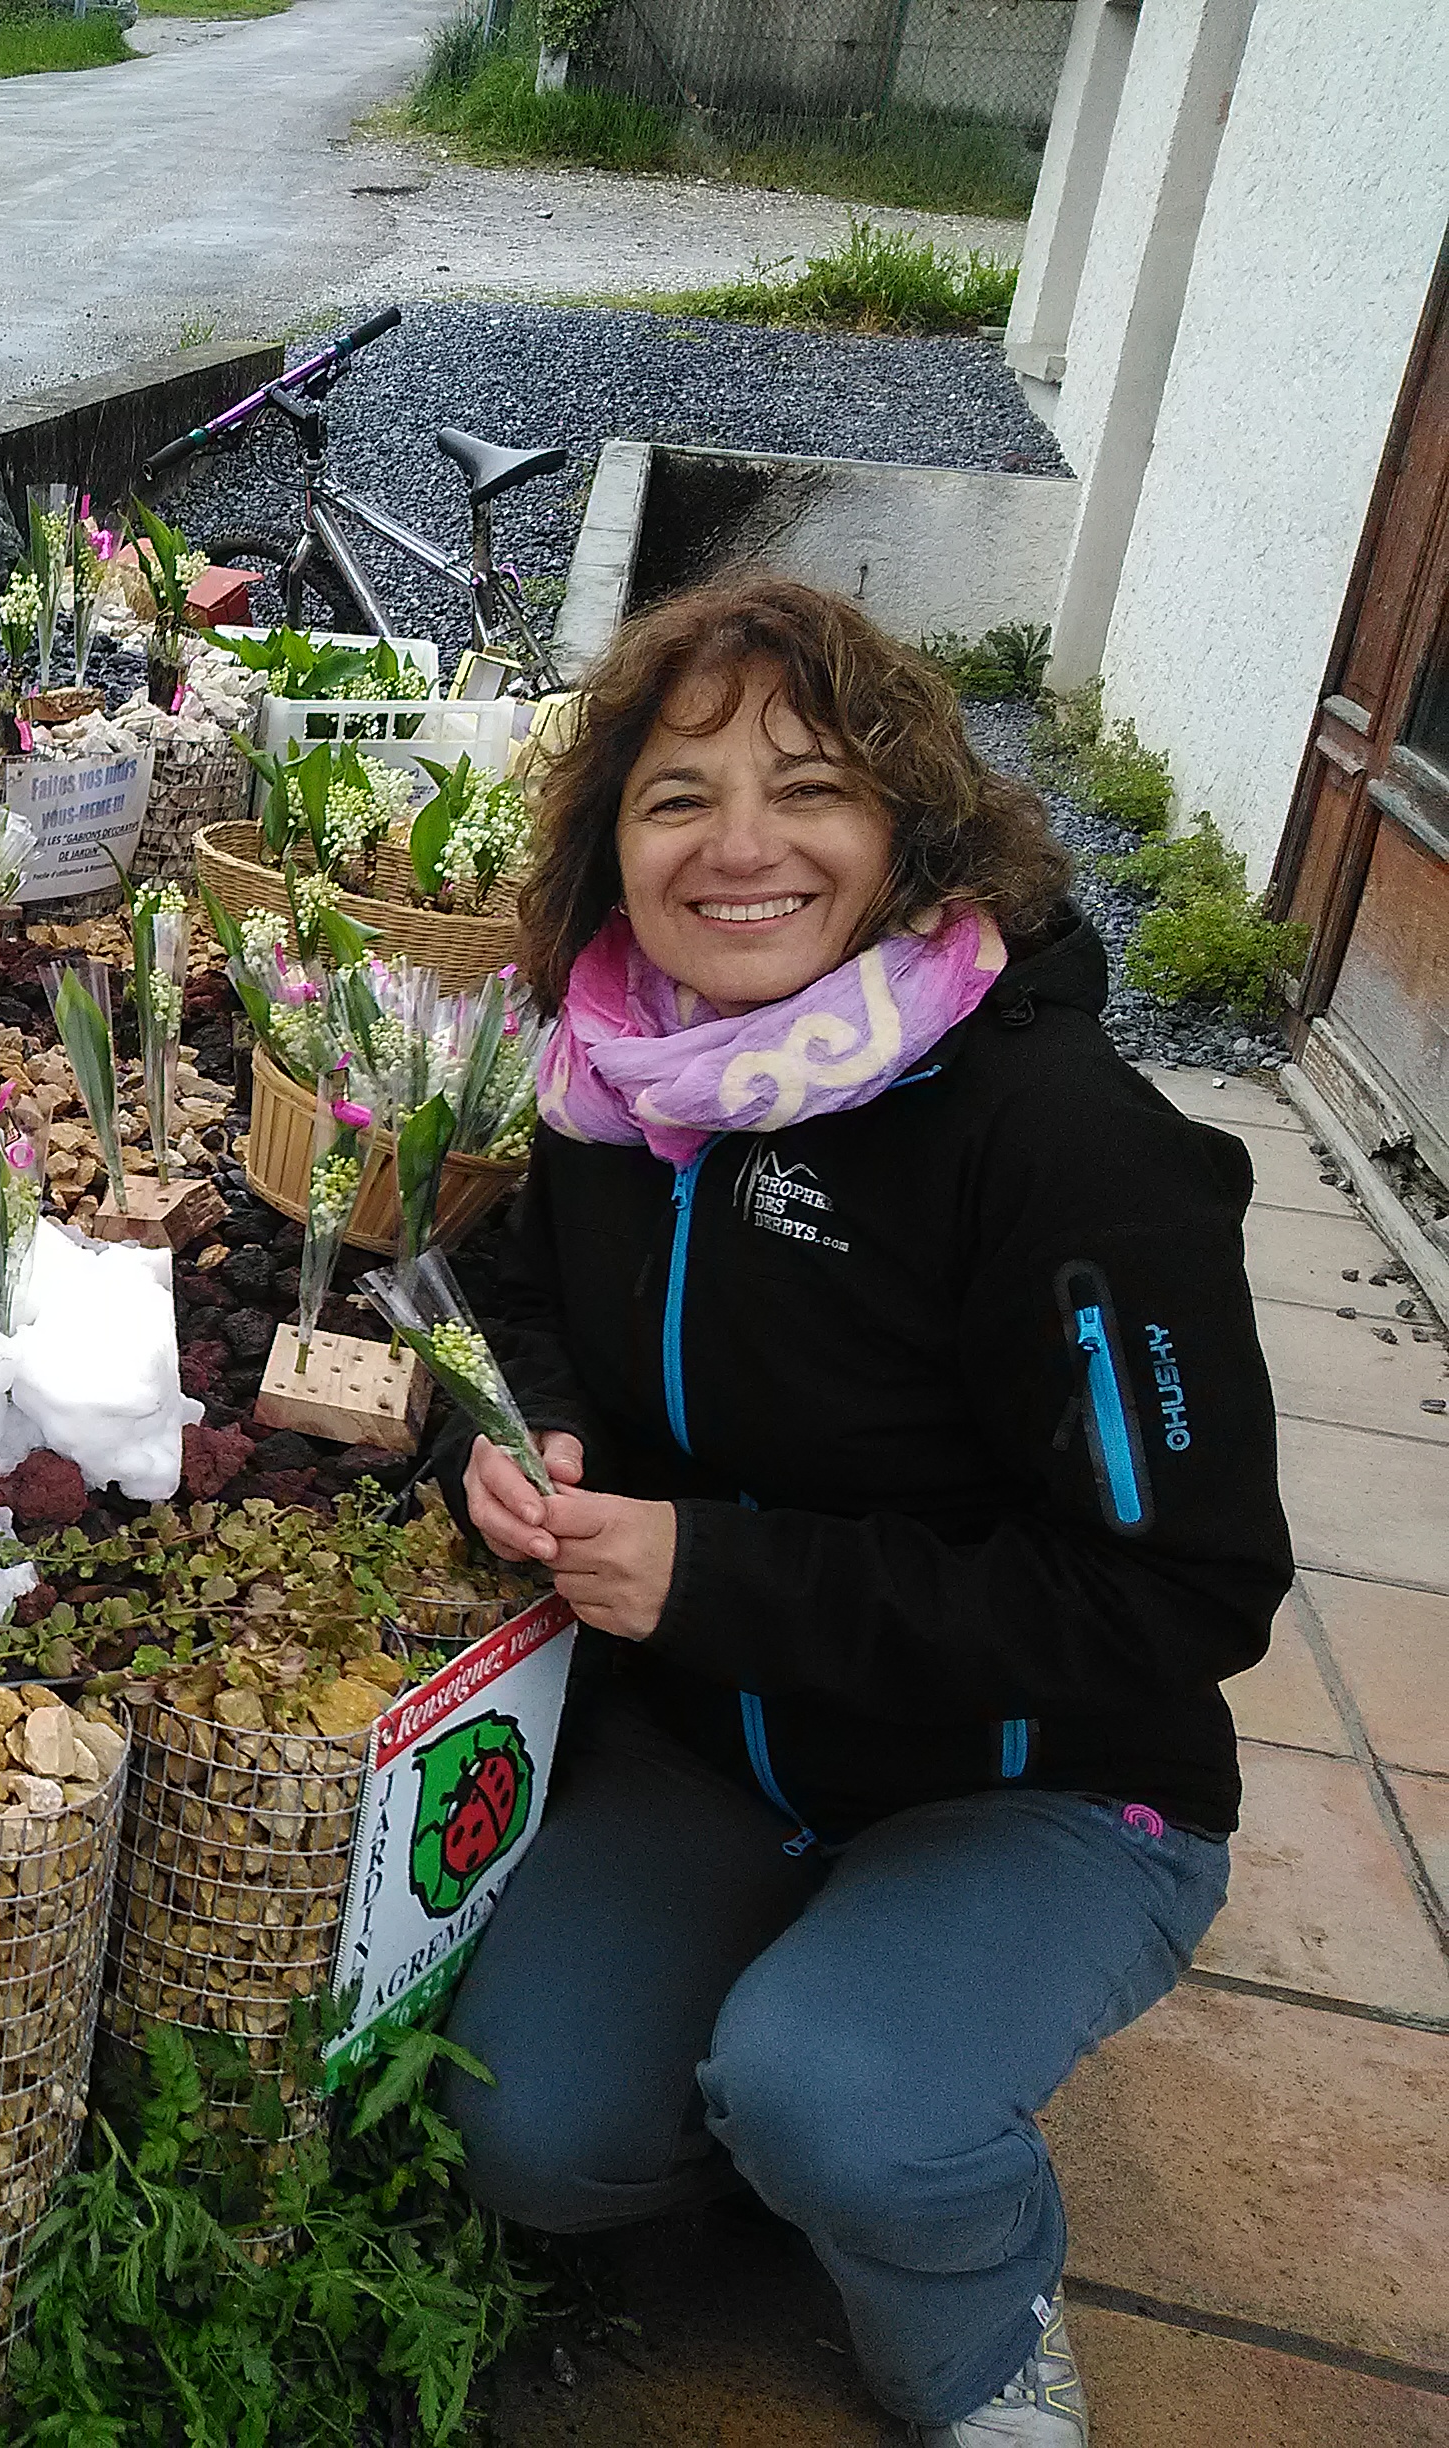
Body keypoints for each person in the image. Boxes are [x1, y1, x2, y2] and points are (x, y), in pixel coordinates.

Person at [436, 575, 1290, 2446]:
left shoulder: (1063, 1144)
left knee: (844, 2101)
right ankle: (818, 2100)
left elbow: (1187, 1595)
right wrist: (537, 1436)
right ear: (611, 842)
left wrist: (727, 1578)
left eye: (810, 786)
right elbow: (517, 1307)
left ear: (908, 832)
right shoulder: (601, 1083)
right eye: (677, 798)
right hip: (722, 1753)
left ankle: (972, 2306)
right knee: (523, 2127)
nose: (742, 848)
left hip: (1040, 1783)